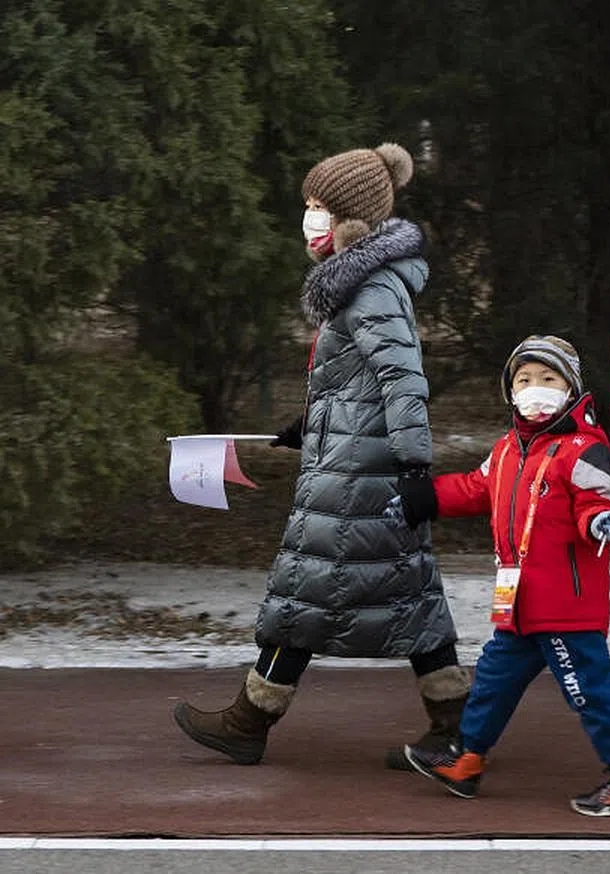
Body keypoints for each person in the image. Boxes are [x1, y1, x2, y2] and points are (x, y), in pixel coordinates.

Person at [173, 142, 470, 768]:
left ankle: (249, 721)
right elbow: (355, 380)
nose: (308, 217)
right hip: (349, 463)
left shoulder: (370, 288)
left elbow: (402, 378)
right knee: (406, 602)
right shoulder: (358, 283)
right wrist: (308, 425)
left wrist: (417, 468)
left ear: (350, 218)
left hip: (364, 475)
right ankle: (453, 725)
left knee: (309, 595)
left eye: (319, 206)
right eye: (307, 204)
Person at [403, 336, 610, 817]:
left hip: (566, 606)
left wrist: (603, 521)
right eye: (524, 380)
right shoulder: (506, 449)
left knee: (589, 693)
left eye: (548, 379)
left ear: (570, 388)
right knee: (492, 683)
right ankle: (468, 759)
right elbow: (476, 488)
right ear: (510, 391)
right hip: (518, 603)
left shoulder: (585, 449)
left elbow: (601, 504)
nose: (534, 389)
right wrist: (428, 497)